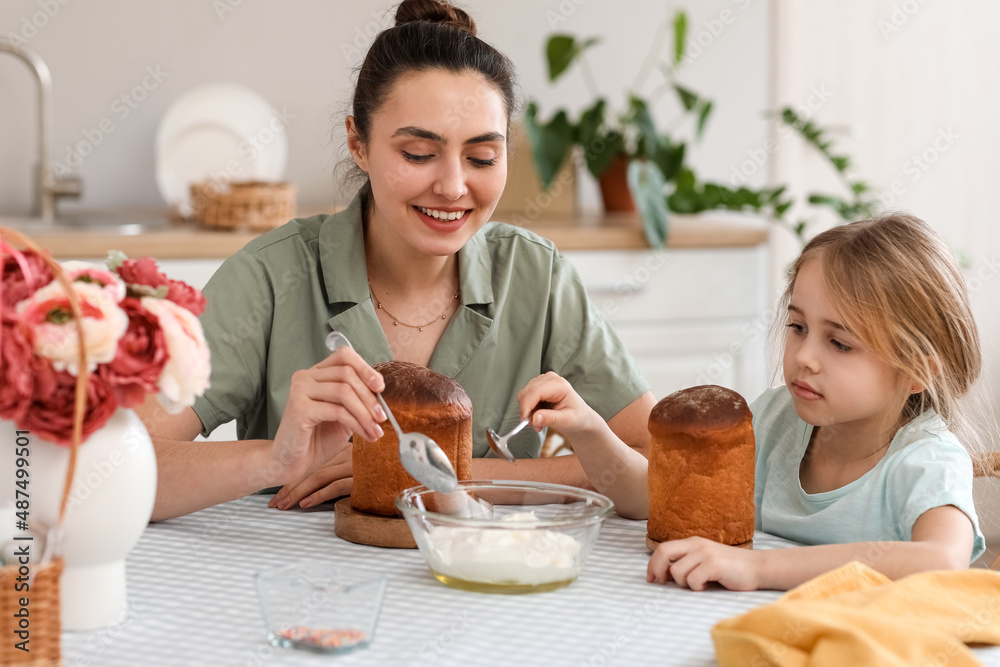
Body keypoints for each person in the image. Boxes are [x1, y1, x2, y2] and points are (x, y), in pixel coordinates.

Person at [139, 0, 655, 521]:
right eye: (418, 154)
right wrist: (274, 460)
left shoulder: (538, 278)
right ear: (357, 142)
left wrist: (452, 476)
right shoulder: (271, 275)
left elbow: (661, 464)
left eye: (482, 158)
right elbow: (114, 472)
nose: (453, 187)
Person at [520, 212, 986, 589]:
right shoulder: (777, 420)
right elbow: (655, 499)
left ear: (918, 371)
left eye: (840, 343)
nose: (804, 357)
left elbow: (939, 563)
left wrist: (758, 570)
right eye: (798, 327)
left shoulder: (926, 460)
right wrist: (589, 430)